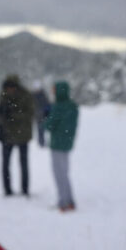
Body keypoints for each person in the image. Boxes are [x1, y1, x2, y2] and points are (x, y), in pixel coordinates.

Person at [0, 75, 35, 196]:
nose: (10, 90)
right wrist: (2, 117)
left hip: (22, 135)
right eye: (8, 87)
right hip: (7, 135)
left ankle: (25, 189)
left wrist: (14, 115)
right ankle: (7, 189)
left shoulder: (26, 96)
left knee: (23, 164)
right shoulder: (3, 96)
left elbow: (30, 114)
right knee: (6, 164)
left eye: (12, 87)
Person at [44, 81, 79, 212]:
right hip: (67, 143)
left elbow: (50, 125)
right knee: (65, 173)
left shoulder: (59, 107)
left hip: (57, 144)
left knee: (59, 174)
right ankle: (70, 200)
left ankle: (63, 202)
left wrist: (45, 119)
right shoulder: (73, 107)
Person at [31, 82, 51, 147]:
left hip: (42, 115)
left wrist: (47, 113)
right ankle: (41, 142)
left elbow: (47, 105)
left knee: (41, 129)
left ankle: (41, 142)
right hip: (37, 115)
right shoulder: (33, 95)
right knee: (40, 129)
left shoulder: (43, 95)